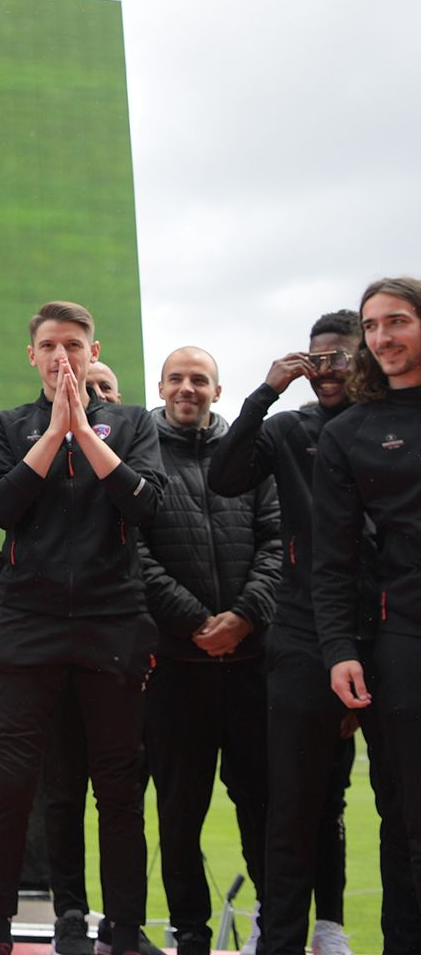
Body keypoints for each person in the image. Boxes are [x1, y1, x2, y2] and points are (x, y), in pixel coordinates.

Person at [209, 310, 415, 955]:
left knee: (397, 808)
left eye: (339, 357)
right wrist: (266, 390)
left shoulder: (387, 429)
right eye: (314, 359)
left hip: (387, 633)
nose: (326, 370)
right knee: (291, 806)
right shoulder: (288, 427)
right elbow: (223, 476)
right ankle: (282, 942)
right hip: (301, 634)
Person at [0, 301, 164, 955]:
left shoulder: (134, 424)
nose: (62, 358)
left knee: (117, 788)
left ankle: (125, 930)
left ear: (92, 350)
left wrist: (85, 430)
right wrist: (54, 432)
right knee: (11, 781)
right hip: (30, 621)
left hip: (113, 621)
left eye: (74, 346)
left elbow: (147, 507)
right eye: (49, 346)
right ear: (32, 355)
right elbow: (0, 507)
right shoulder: (5, 425)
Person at [137, 347, 280, 955]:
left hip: (253, 669)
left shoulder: (252, 455)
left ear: (218, 392)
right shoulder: (139, 453)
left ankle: (276, 930)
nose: (187, 388)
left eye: (199, 380)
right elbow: (132, 554)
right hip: (177, 671)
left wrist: (244, 617)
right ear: (162, 387)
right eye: (177, 379)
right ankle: (190, 934)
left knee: (266, 812)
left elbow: (277, 542)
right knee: (179, 815)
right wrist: (197, 621)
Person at [314, 276, 421, 945]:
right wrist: (340, 649)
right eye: (373, 325)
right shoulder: (351, 432)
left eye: (398, 321)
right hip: (401, 642)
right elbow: (334, 558)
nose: (383, 337)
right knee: (409, 820)